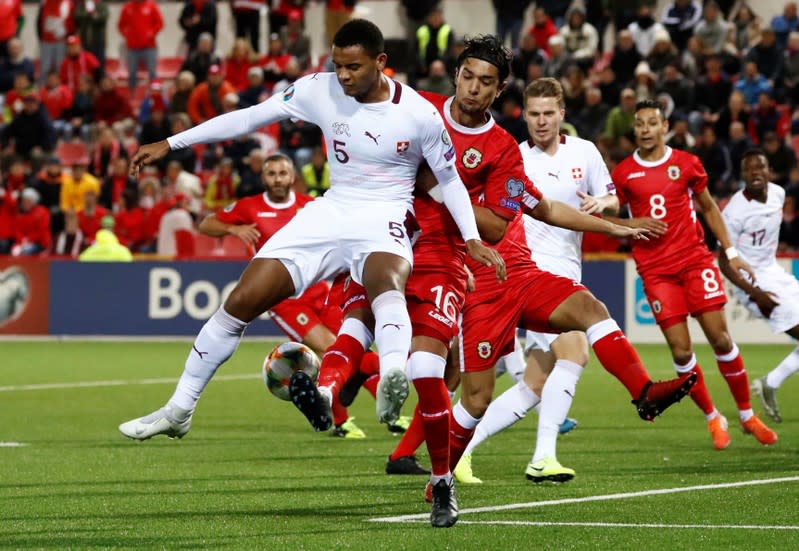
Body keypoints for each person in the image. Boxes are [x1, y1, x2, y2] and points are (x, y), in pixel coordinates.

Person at [118, 21, 502, 453]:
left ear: (380, 64)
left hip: (387, 213)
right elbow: (248, 117)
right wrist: (171, 144)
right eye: (337, 65)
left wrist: (471, 238)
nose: (343, 76)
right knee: (242, 300)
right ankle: (179, 409)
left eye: (354, 67)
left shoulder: (417, 113)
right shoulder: (318, 89)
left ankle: (393, 372)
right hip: (330, 210)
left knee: (383, 281)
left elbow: (449, 181)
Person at [453, 77, 619, 484]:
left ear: (562, 114)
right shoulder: (511, 157)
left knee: (534, 382)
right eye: (533, 114)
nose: (541, 121)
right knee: (576, 352)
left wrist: (604, 204)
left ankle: (460, 450)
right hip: (527, 274)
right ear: (523, 116)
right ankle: (543, 457)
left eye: (548, 113)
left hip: (567, 268)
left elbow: (612, 196)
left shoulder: (586, 152)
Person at [611, 99, 777, 450]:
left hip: (694, 261)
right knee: (681, 351)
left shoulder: (686, 163)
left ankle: (746, 415)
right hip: (656, 272)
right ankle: (713, 417)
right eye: (639, 124)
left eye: (651, 123)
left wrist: (730, 251)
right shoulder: (623, 173)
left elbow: (709, 207)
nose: (644, 129)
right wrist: (630, 223)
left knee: (721, 340)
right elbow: (609, 218)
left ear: (664, 126)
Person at [199, 153, 387, 438]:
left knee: (349, 348)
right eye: (271, 173)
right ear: (264, 177)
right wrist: (233, 228)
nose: (277, 179)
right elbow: (206, 223)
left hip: (319, 291)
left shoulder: (310, 206)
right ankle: (342, 419)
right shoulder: (250, 207)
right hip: (284, 300)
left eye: (282, 173)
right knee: (329, 346)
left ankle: (387, 413)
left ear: (292, 177)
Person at [719, 150, 799, 424]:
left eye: (760, 168)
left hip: (774, 271)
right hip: (752, 282)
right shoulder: (734, 211)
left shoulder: (777, 193)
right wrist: (754, 293)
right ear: (741, 175)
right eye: (748, 169)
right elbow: (723, 261)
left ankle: (771, 382)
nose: (755, 173)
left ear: (768, 171)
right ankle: (771, 382)